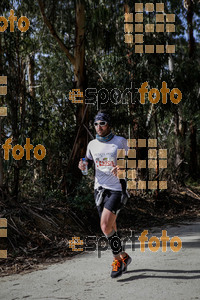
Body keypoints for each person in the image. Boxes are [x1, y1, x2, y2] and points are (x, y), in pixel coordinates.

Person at [78, 111, 132, 278]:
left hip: (117, 189)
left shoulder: (120, 141)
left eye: (102, 123)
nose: (98, 127)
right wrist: (83, 166)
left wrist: (123, 168)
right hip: (99, 190)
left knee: (104, 226)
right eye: (96, 124)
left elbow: (135, 161)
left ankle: (117, 261)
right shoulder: (92, 144)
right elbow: (87, 164)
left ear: (109, 125)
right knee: (112, 227)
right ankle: (124, 256)